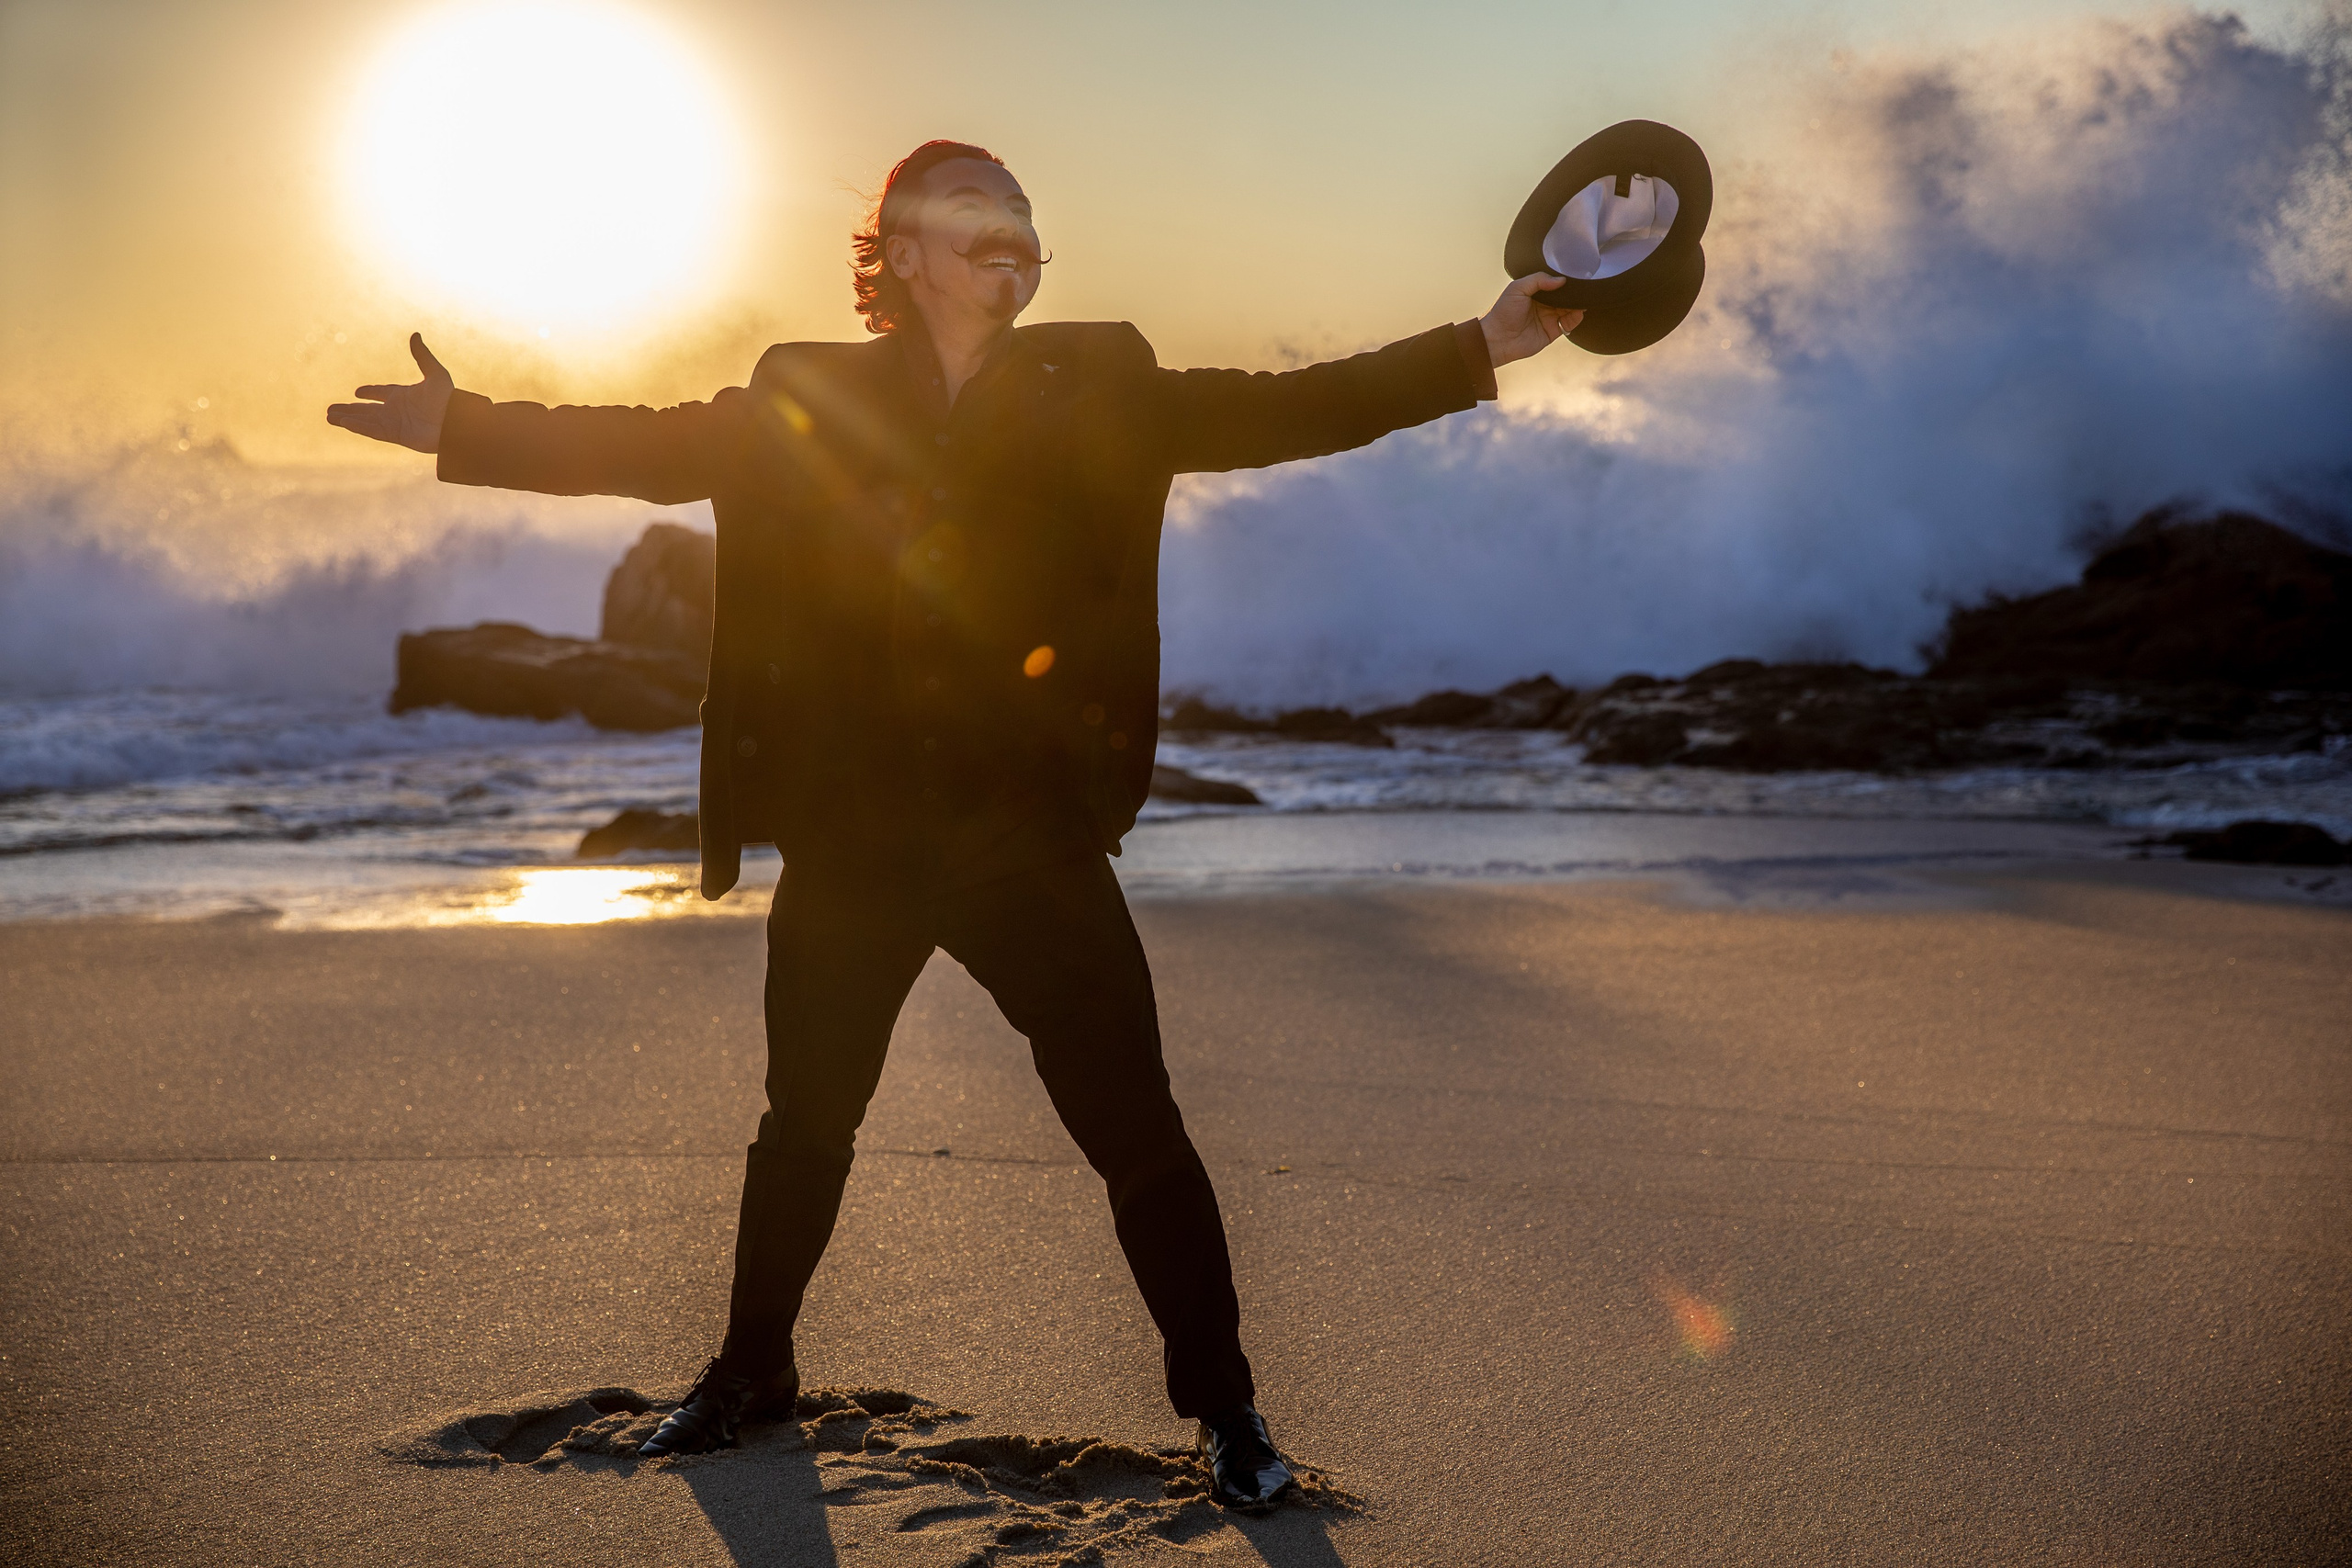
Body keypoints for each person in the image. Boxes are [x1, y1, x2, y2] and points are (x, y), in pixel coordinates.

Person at [328, 139, 1579, 1509]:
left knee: (1137, 1131)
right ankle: (751, 1371)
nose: (1013, 227)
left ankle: (1227, 1413)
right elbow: (651, 445)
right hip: (854, 839)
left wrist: (1483, 345)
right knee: (805, 1125)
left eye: (1026, 212)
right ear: (904, 252)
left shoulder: (1100, 384)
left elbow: (1288, 408)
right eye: (978, 207)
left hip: (1026, 841)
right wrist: (465, 426)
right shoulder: (809, 394)